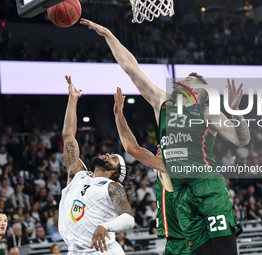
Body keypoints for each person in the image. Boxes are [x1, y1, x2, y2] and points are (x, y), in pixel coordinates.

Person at [82, 19, 249, 255]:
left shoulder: (208, 112)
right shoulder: (164, 104)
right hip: (180, 193)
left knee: (223, 250)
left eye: (187, 83)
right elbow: (132, 68)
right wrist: (110, 35)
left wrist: (236, 112)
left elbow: (241, 139)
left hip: (207, 186)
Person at [58, 76, 134, 254]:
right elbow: (69, 136)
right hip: (75, 251)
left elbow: (128, 219)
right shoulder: (78, 174)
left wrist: (105, 226)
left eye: (114, 159)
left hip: (103, 251)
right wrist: (73, 99)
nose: (108, 154)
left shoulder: (112, 186)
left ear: (115, 173)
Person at [114, 87, 193, 254]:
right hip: (177, 241)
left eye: (163, 144)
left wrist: (119, 115)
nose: (159, 146)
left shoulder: (169, 166)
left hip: (184, 242)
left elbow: (131, 148)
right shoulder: (167, 168)